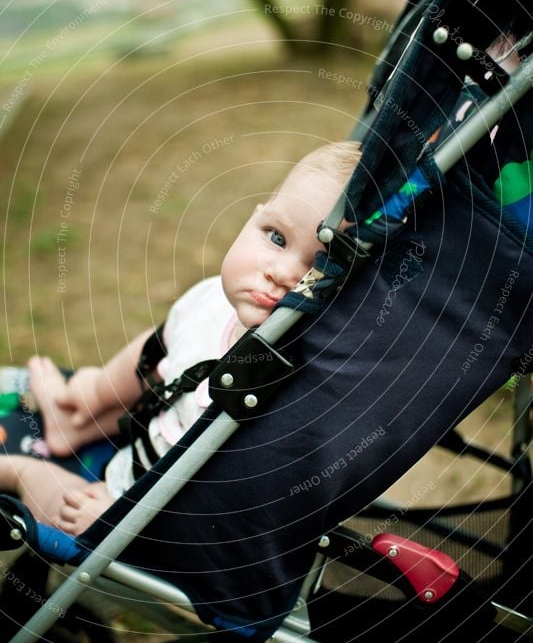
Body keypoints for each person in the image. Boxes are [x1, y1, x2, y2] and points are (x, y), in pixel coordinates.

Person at [0, 142, 360, 536]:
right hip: (151, 424)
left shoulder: (278, 384)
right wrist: (95, 390)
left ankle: (18, 470)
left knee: (53, 496)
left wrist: (125, 515)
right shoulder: (217, 302)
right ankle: (77, 413)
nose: (281, 272)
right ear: (254, 217)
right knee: (165, 348)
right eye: (275, 237)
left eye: (320, 266)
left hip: (128, 509)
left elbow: (225, 496)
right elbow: (159, 348)